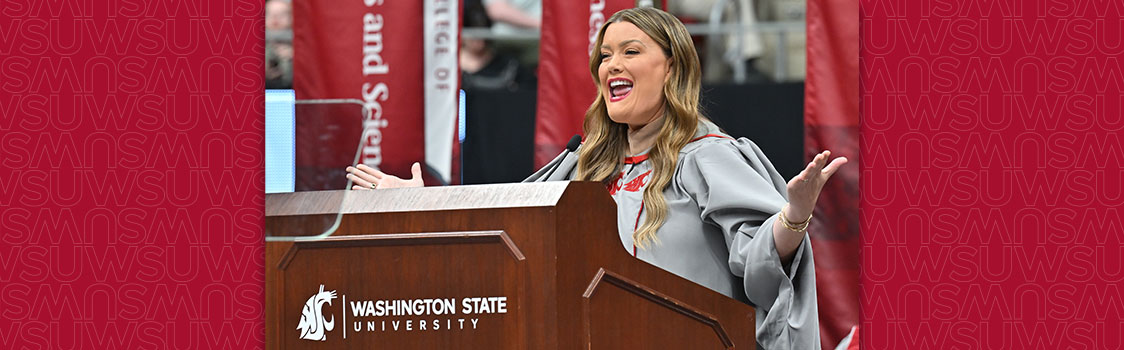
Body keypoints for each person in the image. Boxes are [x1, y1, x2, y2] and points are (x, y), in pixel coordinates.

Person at [345, 7, 845, 349]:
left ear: (671, 68)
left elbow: (759, 267)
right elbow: (508, 225)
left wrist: (792, 217)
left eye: (630, 51)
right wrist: (421, 202)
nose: (612, 65)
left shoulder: (708, 157)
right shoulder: (581, 164)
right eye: (605, 55)